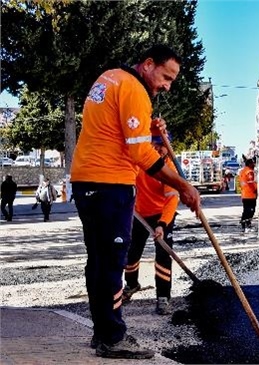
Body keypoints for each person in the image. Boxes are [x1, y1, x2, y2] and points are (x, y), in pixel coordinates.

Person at [70, 44, 200, 360]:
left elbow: (118, 133)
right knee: (113, 263)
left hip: (84, 179)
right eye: (166, 77)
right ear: (148, 64)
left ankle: (102, 333)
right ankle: (113, 339)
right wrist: (184, 185)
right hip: (110, 184)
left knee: (98, 261)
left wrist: (152, 132)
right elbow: (139, 154)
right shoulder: (133, 89)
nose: (166, 86)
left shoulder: (109, 78)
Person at [122, 133, 179, 316]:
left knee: (163, 255)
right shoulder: (140, 164)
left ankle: (163, 297)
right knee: (131, 252)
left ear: (167, 147)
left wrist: (162, 224)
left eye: (161, 144)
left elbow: (171, 200)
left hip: (163, 215)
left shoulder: (170, 169)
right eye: (153, 144)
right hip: (139, 215)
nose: (157, 148)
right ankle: (131, 285)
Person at [239, 157, 258, 233]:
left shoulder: (242, 171)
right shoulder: (249, 172)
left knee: (246, 210)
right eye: (253, 163)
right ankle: (246, 223)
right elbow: (251, 183)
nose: (254, 164)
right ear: (250, 164)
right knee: (251, 210)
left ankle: (245, 223)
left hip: (244, 194)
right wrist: (256, 190)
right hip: (250, 194)